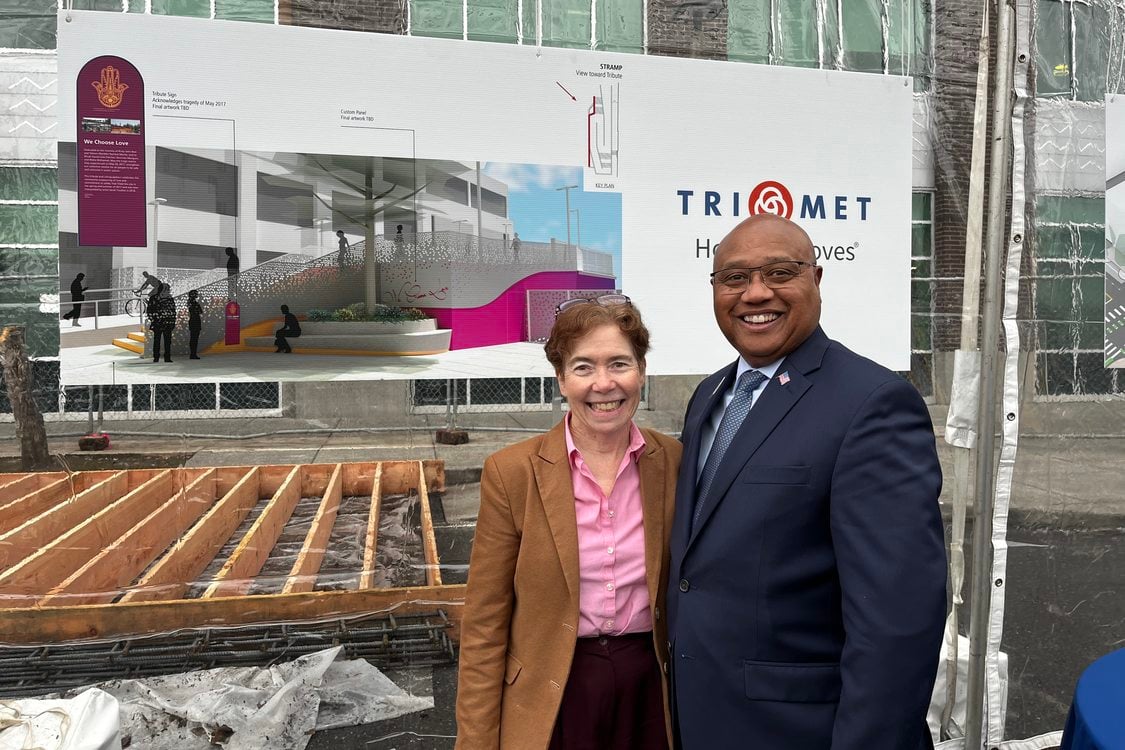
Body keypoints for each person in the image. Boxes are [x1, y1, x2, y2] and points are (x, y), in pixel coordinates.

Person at [666, 214, 946, 750]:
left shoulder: (872, 404)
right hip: (706, 718)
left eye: (779, 272)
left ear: (817, 279)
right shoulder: (710, 396)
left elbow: (898, 621)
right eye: (734, 278)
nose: (755, 293)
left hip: (804, 732)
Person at [456, 298, 681, 750]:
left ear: (641, 371)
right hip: (552, 689)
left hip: (650, 688)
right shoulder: (512, 472)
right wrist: (476, 742)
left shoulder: (673, 461)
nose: (604, 384)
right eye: (583, 367)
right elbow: (484, 622)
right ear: (561, 379)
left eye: (619, 363)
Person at [147, 283, 176, 363]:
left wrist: (173, 321)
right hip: (158, 323)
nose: (168, 290)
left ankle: (167, 357)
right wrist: (155, 319)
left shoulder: (170, 298)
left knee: (167, 341)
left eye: (168, 289)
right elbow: (150, 310)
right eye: (166, 288)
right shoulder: (154, 298)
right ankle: (156, 357)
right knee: (157, 341)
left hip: (167, 323)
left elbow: (173, 311)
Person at [187, 289, 203, 359]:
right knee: (194, 338)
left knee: (194, 338)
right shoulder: (192, 302)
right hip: (194, 321)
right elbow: (199, 311)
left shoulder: (192, 302)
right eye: (196, 294)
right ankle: (193, 354)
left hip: (195, 320)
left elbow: (200, 311)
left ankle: (193, 353)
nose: (197, 295)